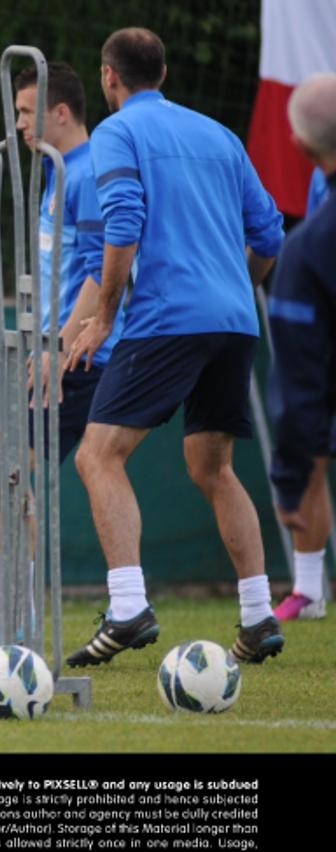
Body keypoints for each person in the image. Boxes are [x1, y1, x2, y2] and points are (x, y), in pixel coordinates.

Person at [64, 29, 286, 667]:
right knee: (212, 468)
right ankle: (257, 615)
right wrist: (237, 292)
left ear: (110, 77)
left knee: (98, 456)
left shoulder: (116, 134)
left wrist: (104, 317)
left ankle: (128, 606)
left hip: (166, 318)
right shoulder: (219, 134)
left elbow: (125, 222)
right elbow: (269, 233)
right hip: (235, 322)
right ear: (161, 73)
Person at [0, 62, 123, 652]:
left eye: (26, 113)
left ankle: (15, 612)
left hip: (82, 357)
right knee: (4, 459)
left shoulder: (91, 170)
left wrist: (60, 346)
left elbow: (101, 274)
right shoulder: (57, 171)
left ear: (61, 112)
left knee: (7, 459)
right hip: (62, 351)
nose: (18, 125)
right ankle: (0, 607)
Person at [269, 72, 336, 622]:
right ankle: (310, 588)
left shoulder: (306, 250)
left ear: (301, 147)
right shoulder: (313, 234)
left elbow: (298, 381)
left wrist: (285, 480)